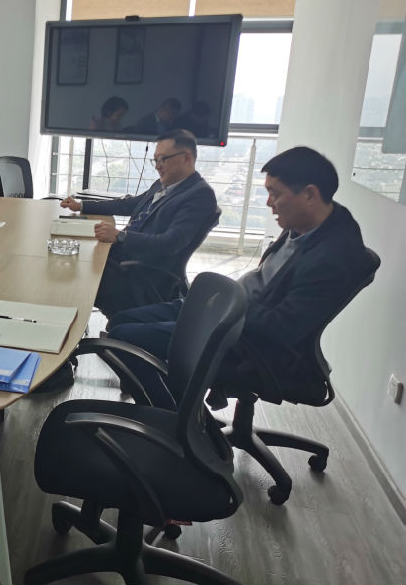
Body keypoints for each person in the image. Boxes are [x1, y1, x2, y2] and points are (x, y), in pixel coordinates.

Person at [106, 147, 367, 409]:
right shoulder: (309, 222)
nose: (269, 203)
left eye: (275, 194)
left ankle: (172, 418)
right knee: (120, 321)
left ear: (310, 194)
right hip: (228, 310)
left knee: (123, 337)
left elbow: (280, 329)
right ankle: (174, 404)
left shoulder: (334, 257)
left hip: (242, 336)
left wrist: (223, 311)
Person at [61, 129, 218, 318]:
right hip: (121, 258)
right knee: (66, 254)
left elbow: (171, 243)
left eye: (163, 159)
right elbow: (128, 205)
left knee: (70, 273)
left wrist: (120, 236)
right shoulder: (164, 183)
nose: (158, 166)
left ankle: (65, 325)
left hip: (139, 274)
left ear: (186, 157)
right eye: (155, 160)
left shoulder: (200, 195)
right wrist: (82, 205)